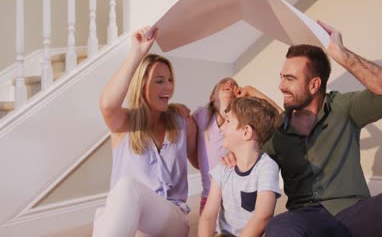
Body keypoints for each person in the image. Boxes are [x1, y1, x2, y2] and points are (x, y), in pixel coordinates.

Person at [223, 21, 382, 236]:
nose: (281, 86)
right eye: (282, 77)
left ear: (314, 85)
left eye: (290, 79)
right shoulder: (276, 131)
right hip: (305, 218)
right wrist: (234, 155)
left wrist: (342, 54)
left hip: (354, 212)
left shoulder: (342, 107)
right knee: (279, 226)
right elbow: (251, 163)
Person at [93, 26, 198, 237]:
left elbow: (199, 160)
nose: (168, 88)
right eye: (160, 81)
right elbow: (107, 105)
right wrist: (137, 54)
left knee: (124, 189)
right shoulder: (125, 124)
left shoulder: (180, 121)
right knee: (110, 216)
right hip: (136, 218)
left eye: (170, 80)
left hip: (172, 220)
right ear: (142, 86)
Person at [198, 97, 281, 237]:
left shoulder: (267, 167)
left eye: (228, 121)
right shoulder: (223, 168)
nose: (222, 127)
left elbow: (263, 217)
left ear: (246, 132)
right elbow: (208, 216)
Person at [192, 77, 239, 213]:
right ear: (212, 97)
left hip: (236, 196)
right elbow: (184, 128)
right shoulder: (203, 115)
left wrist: (248, 93)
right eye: (224, 83)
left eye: (234, 85)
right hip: (209, 196)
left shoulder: (240, 121)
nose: (230, 83)